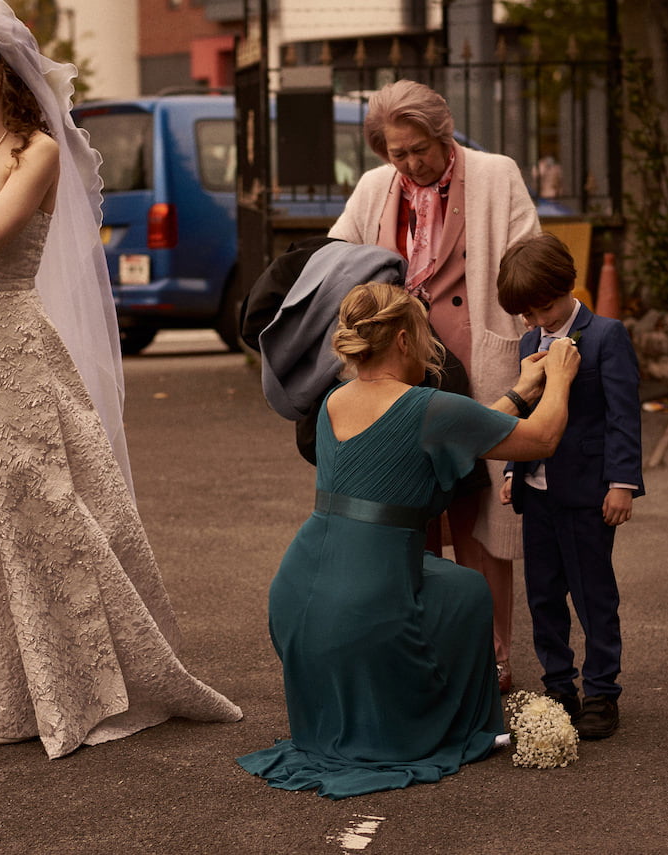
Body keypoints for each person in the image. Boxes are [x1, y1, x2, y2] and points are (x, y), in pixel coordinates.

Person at [0, 0, 241, 760]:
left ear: (0, 72)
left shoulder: (39, 152)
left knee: (38, 504)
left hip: (16, 336)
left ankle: (61, 674)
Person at [236, 282, 579, 799]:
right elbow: (543, 437)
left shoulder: (333, 402)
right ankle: (432, 721)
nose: (430, 349)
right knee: (468, 595)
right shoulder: (428, 406)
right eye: (425, 335)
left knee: (459, 588)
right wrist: (558, 377)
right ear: (401, 339)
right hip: (370, 596)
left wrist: (519, 390)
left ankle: (388, 704)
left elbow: (458, 428)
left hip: (298, 594)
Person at [329, 79, 541, 692]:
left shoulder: (497, 176)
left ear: (443, 136)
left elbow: (528, 261)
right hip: (400, 374)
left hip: (479, 371)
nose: (411, 163)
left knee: (480, 519)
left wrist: (543, 348)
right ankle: (420, 653)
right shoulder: (375, 187)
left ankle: (493, 658)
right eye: (398, 153)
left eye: (420, 149)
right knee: (409, 515)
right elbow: (339, 258)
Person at [496, 234, 644, 739]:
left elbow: (623, 417)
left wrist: (621, 484)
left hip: (586, 493)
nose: (539, 321)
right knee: (542, 596)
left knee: (592, 595)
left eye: (546, 308)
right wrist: (513, 471)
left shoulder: (605, 336)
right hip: (536, 494)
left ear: (568, 286)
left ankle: (602, 691)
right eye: (528, 315)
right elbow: (529, 413)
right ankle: (558, 687)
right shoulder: (527, 342)